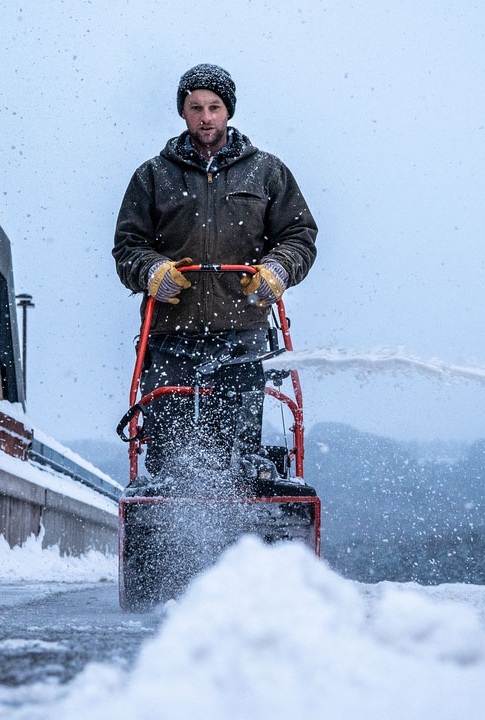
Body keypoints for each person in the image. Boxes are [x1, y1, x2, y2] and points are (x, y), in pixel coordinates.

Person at [113, 63, 318, 486]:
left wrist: (277, 269)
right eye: (195, 107)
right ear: (182, 113)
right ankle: (169, 508)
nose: (205, 116)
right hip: (170, 333)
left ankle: (249, 513)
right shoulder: (153, 176)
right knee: (171, 450)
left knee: (238, 447)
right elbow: (128, 245)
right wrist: (151, 270)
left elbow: (299, 234)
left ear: (228, 112)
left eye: (214, 107)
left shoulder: (266, 172)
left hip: (242, 328)